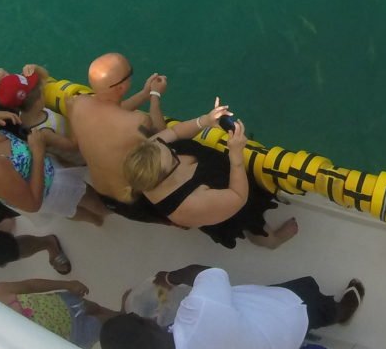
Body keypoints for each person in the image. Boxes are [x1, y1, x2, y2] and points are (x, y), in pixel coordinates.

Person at [99, 265, 363, 349]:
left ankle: (323, 315)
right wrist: (171, 277)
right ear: (146, 322)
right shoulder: (201, 313)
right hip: (286, 313)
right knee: (310, 292)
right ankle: (339, 312)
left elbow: (156, 343)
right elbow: (210, 273)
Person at [121, 103, 296, 249]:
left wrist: (204, 120)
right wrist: (236, 156)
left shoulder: (151, 153)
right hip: (229, 201)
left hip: (220, 173)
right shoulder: (188, 205)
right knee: (253, 224)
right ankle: (272, 242)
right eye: (173, 156)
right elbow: (238, 197)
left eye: (165, 146)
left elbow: (175, 134)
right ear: (162, 177)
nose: (173, 148)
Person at [0, 102, 107, 225]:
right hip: (49, 188)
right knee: (90, 200)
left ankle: (94, 220)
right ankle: (103, 214)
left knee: (66, 210)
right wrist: (37, 153)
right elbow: (33, 204)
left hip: (15, 191)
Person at [64, 52, 168, 209]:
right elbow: (164, 138)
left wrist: (144, 94)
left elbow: (112, 116)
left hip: (101, 194)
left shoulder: (76, 104)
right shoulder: (138, 122)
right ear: (121, 86)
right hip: (133, 199)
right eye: (130, 73)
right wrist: (155, 96)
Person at [0, 277, 118, 349]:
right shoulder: (0, 340)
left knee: (97, 308)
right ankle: (127, 323)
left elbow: (31, 285)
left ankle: (124, 316)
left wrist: (67, 284)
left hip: (66, 303)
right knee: (108, 324)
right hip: (75, 334)